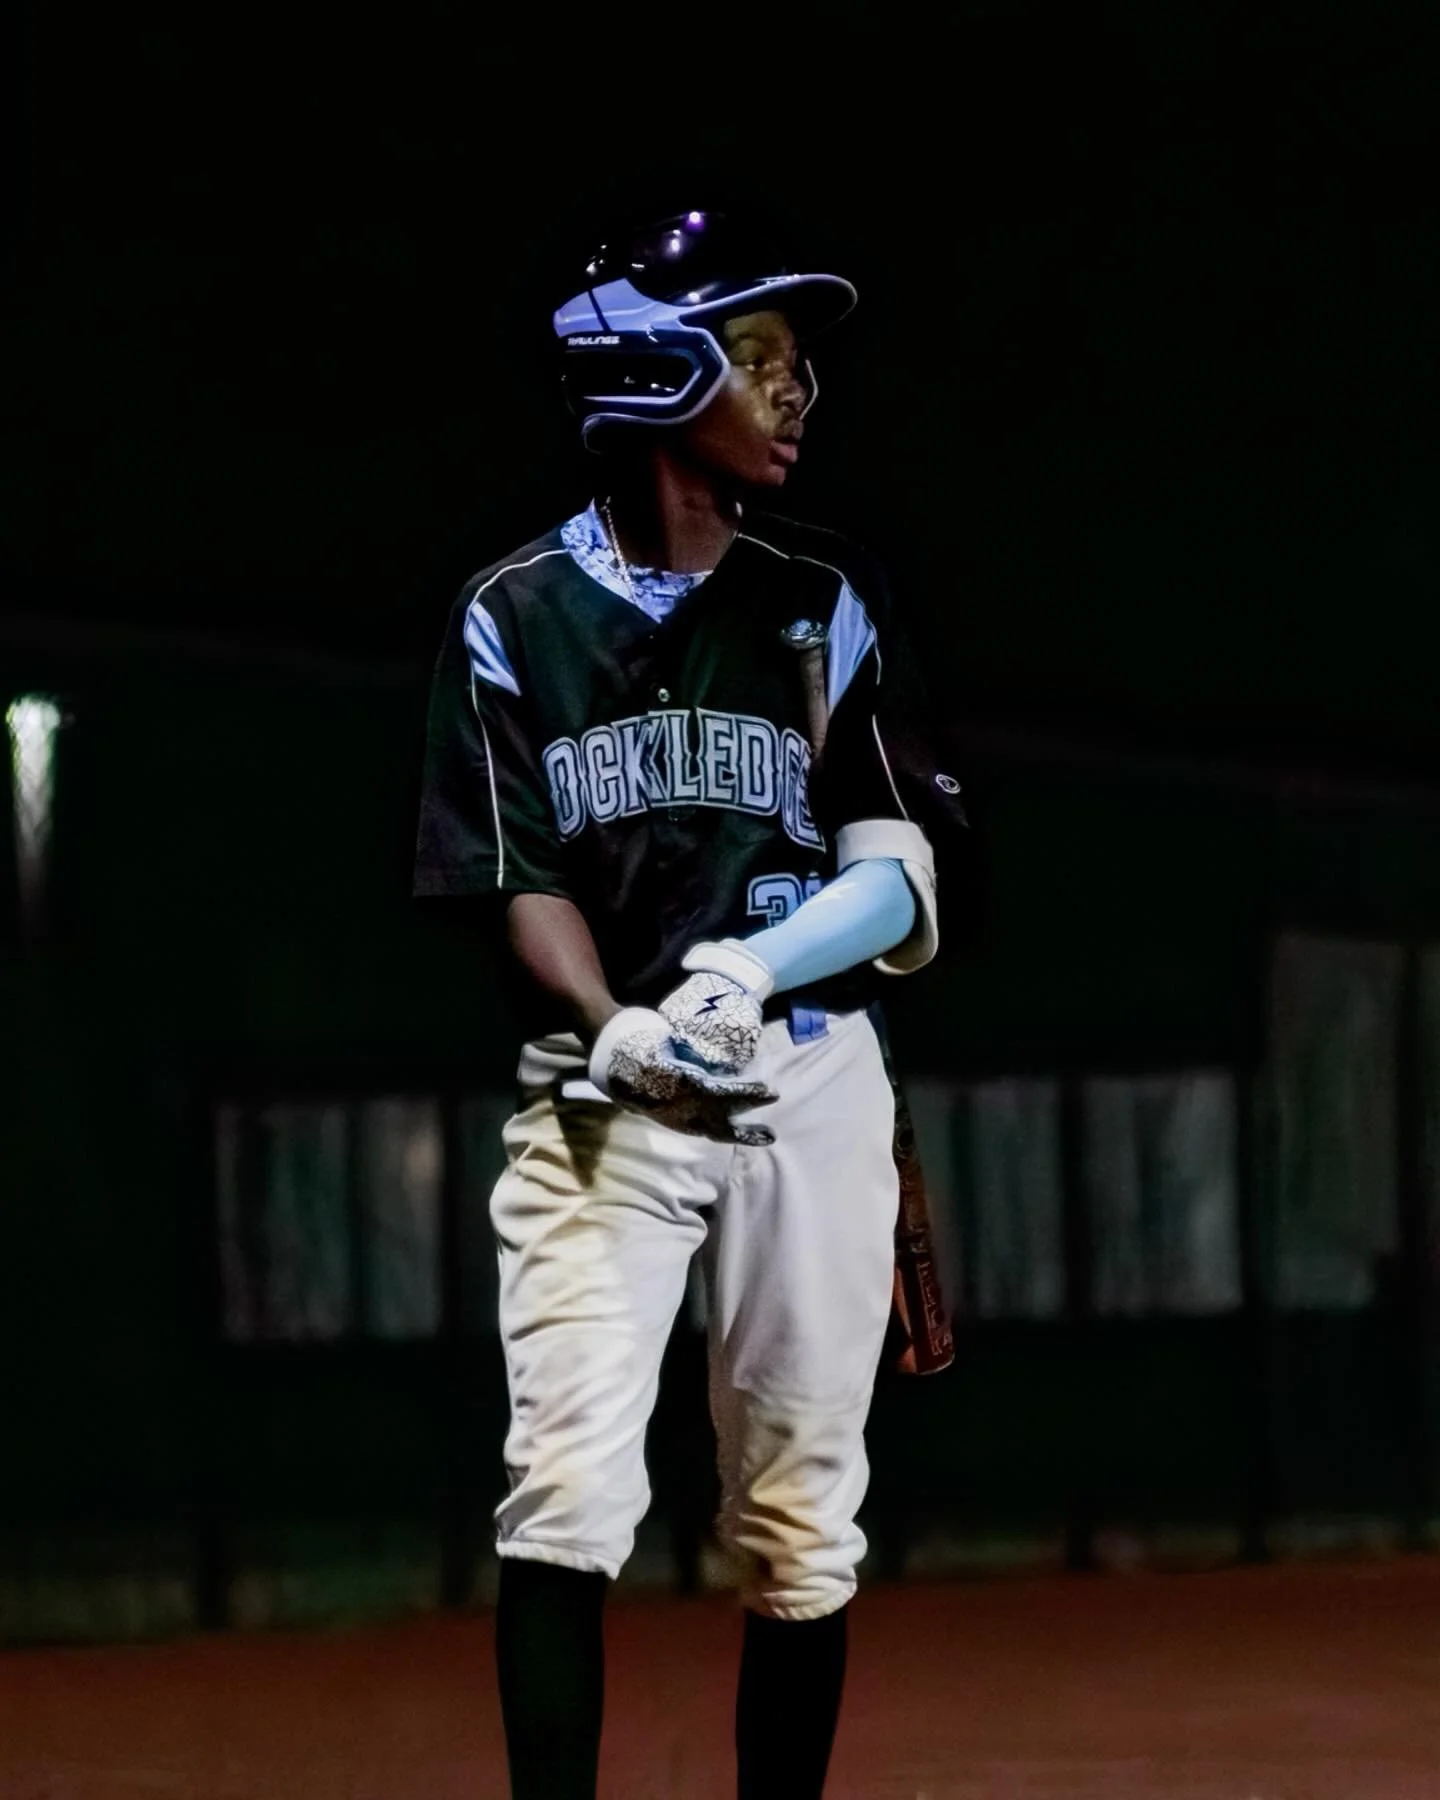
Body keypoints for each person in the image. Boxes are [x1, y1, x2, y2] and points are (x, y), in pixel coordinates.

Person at [414, 207, 970, 1800]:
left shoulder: (821, 598)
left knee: (804, 1515)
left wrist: (750, 967)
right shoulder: (514, 615)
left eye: (801, 366)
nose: (799, 394)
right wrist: (615, 1025)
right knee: (569, 1494)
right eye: (761, 359)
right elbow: (518, 877)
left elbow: (897, 869)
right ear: (655, 371)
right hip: (605, 1095)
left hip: (807, 1077)